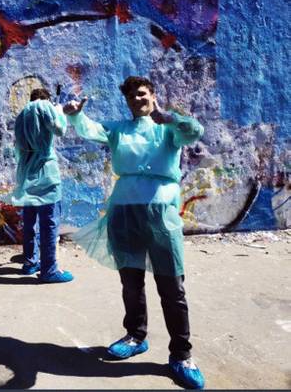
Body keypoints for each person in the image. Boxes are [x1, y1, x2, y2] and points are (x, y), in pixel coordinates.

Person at [64, 76, 205, 389]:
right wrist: (75, 116)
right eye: (131, 96)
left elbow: (195, 131)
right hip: (124, 212)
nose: (137, 100)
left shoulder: (168, 128)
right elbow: (91, 130)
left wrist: (172, 118)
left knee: (172, 286)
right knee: (131, 281)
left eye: (141, 94)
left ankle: (181, 354)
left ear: (152, 95)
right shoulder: (119, 129)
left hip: (162, 213)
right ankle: (135, 335)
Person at [11, 88, 73, 283]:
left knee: (29, 220)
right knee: (49, 222)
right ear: (47, 99)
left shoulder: (22, 115)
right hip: (46, 173)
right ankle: (49, 269)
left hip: (27, 173)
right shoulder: (46, 107)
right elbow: (60, 130)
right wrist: (59, 111)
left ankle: (30, 262)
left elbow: (17, 148)